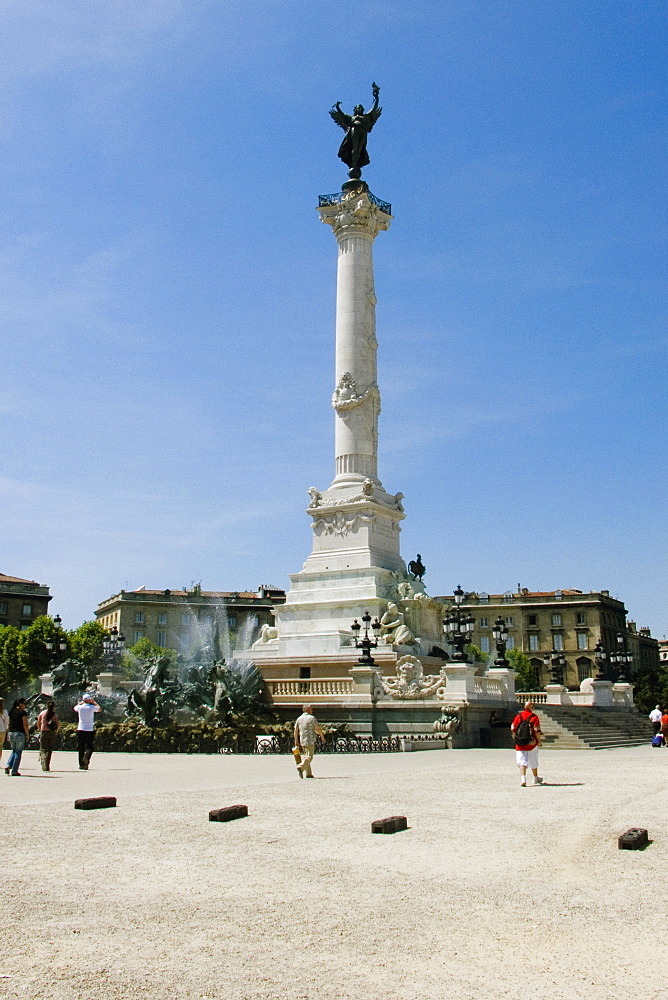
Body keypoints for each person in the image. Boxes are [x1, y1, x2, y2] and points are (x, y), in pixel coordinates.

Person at [511, 700, 543, 787]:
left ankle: (523, 779)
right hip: (531, 743)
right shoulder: (534, 717)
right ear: (532, 708)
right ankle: (535, 778)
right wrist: (539, 741)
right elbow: (537, 731)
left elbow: (513, 728)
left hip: (520, 743)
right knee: (533, 760)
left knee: (521, 761)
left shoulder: (518, 716)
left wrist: (516, 738)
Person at [293, 705, 325, 779]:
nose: (312, 710)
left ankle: (309, 773)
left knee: (306, 756)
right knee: (309, 756)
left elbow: (296, 730)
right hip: (310, 739)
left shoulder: (299, 718)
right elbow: (318, 728)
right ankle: (301, 767)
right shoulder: (312, 718)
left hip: (302, 739)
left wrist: (296, 740)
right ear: (307, 709)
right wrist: (322, 737)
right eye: (311, 709)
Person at [73, 693, 101, 770]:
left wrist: (82, 702)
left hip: (80, 729)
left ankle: (81, 764)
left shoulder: (79, 707)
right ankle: (86, 758)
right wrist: (94, 702)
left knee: (81, 747)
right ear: (89, 700)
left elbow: (74, 708)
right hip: (89, 729)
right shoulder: (92, 707)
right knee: (90, 747)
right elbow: (99, 709)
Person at [5, 698, 29, 776]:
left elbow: (9, 723)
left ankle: (8, 765)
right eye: (24, 704)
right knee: (18, 752)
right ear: (20, 704)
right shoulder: (23, 712)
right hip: (19, 733)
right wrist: (27, 734)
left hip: (11, 733)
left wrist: (8, 733)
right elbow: (25, 724)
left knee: (14, 750)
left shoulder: (11, 711)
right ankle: (14, 771)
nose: (25, 706)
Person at [36, 700, 60, 772]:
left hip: (44, 732)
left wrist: (40, 729)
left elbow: (38, 723)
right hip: (51, 733)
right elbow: (58, 724)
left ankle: (44, 764)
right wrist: (56, 731)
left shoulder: (42, 713)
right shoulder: (54, 714)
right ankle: (47, 765)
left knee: (43, 749)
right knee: (49, 750)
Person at [0, 698, 9, 767]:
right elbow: (6, 722)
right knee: (0, 747)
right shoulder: (4, 711)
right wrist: (6, 729)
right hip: (2, 730)